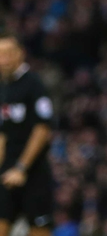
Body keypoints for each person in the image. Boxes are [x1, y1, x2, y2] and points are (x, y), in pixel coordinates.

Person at [0, 31, 53, 236]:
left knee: (38, 230)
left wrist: (21, 168)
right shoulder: (4, 88)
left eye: (6, 54)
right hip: (7, 172)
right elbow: (3, 134)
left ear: (20, 54)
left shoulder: (34, 84)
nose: (1, 60)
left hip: (33, 174)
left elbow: (42, 129)